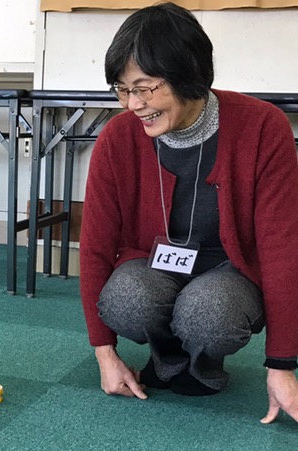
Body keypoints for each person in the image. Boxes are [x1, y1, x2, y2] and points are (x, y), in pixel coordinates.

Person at [80, 2, 298, 422]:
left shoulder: (263, 127)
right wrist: (104, 354)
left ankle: (203, 363)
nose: (132, 105)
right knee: (126, 298)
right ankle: (168, 357)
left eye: (144, 88)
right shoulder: (118, 138)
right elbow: (94, 248)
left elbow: (281, 249)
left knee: (209, 312)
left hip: (230, 270)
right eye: (122, 89)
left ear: (187, 73)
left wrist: (282, 365)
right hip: (154, 263)